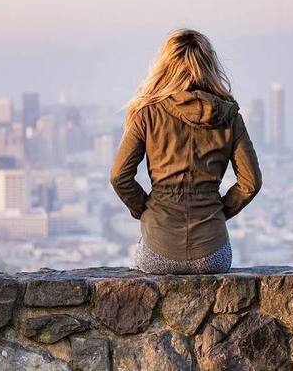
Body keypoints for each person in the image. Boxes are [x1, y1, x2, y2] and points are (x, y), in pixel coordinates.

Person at [110, 28, 262, 274]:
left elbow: (119, 176)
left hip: (158, 250)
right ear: (209, 65)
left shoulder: (147, 113)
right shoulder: (230, 117)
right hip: (213, 254)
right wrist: (219, 212)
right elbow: (251, 183)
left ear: (165, 66)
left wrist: (146, 210)